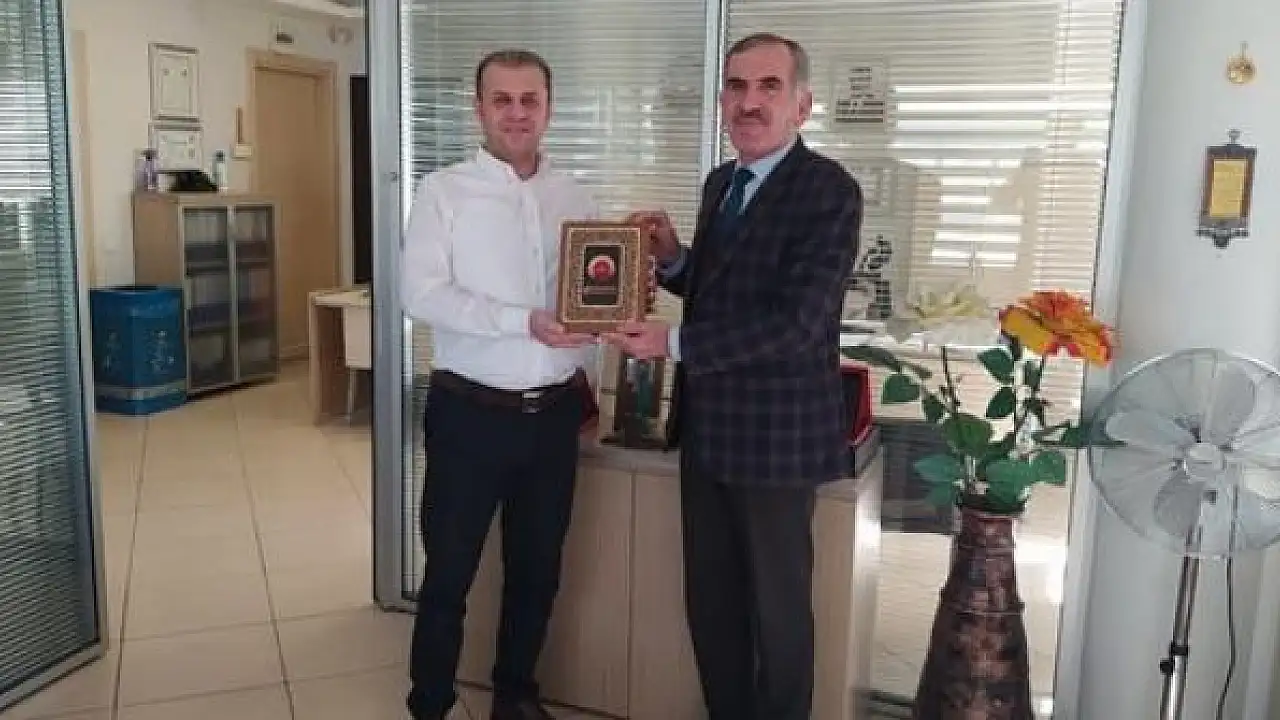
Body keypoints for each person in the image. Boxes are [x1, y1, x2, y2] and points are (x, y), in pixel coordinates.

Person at [606, 32, 863, 720]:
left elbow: (797, 323)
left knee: (778, 615)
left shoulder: (828, 191)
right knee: (712, 603)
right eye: (737, 87)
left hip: (776, 445)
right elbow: (722, 292)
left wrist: (673, 342)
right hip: (707, 434)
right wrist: (672, 260)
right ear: (722, 100)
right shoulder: (722, 184)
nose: (749, 102)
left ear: (802, 104)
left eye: (768, 87)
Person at [401, 48, 601, 720]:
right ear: (479, 108)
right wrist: (523, 322)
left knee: (537, 573)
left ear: (549, 107)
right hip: (470, 416)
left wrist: (593, 376)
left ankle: (515, 697)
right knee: (448, 576)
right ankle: (430, 703)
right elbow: (421, 294)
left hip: (554, 418)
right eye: (502, 100)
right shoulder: (443, 192)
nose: (517, 113)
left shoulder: (574, 196)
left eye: (530, 100)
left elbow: (589, 297)